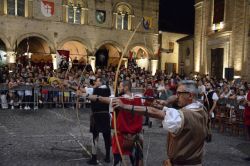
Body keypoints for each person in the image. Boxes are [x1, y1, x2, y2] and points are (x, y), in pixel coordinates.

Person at [112, 80, 208, 166]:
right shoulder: (201, 109)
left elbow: (153, 112)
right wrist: (165, 103)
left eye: (179, 94)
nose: (176, 97)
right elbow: (173, 110)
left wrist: (124, 106)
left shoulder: (182, 116)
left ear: (190, 95)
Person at [83, 80, 144, 166]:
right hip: (136, 137)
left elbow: (100, 98)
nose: (119, 88)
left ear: (126, 87)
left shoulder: (118, 100)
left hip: (122, 138)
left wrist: (85, 95)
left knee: (118, 161)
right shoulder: (140, 99)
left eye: (120, 86)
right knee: (137, 162)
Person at [76, 77, 111, 165]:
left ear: (101, 83)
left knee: (95, 137)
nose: (95, 82)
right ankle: (107, 157)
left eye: (97, 81)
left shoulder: (94, 90)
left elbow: (82, 90)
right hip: (106, 116)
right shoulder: (109, 90)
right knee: (107, 136)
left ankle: (94, 158)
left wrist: (71, 86)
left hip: (96, 116)